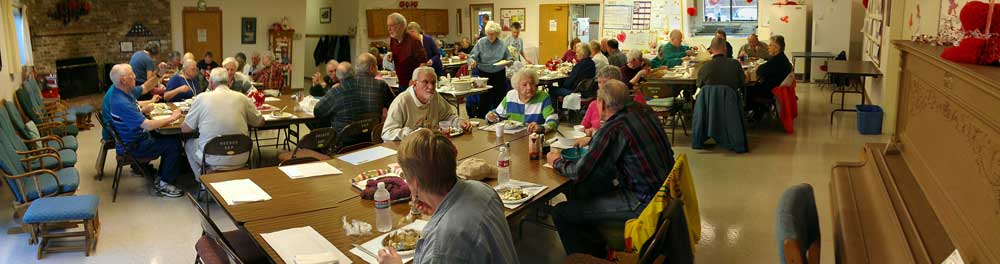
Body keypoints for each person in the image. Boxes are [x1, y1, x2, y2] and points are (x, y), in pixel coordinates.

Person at [546, 79, 675, 259]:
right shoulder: (644, 110)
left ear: (603, 103)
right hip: (665, 190)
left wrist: (556, 161)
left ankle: (587, 260)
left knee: (561, 212)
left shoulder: (614, 128)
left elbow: (579, 171)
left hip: (643, 200)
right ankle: (598, 248)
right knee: (582, 190)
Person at [376, 129, 519, 264]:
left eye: (406, 178)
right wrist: (438, 212)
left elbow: (448, 244)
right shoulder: (483, 190)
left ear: (415, 183)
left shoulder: (440, 249)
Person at [106, 64, 185, 198]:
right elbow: (147, 125)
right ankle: (164, 184)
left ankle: (170, 171)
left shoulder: (121, 91)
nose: (135, 76)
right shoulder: (121, 101)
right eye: (132, 75)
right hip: (134, 146)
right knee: (173, 143)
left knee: (170, 137)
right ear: (123, 80)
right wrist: (173, 117)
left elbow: (145, 88)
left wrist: (142, 110)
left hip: (134, 139)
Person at [181, 68, 264, 179]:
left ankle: (203, 181)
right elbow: (259, 122)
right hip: (242, 155)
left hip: (212, 157)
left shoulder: (201, 98)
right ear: (229, 82)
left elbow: (185, 129)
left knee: (189, 144)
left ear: (210, 83)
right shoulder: (242, 98)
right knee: (250, 144)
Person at [315, 53, 395, 146]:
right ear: (372, 68)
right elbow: (395, 106)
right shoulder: (381, 86)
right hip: (372, 138)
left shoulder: (340, 89)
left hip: (344, 142)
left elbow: (318, 112)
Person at [382, 67, 471, 141]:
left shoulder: (435, 96)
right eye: (425, 82)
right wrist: (416, 134)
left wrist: (459, 122)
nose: (431, 87)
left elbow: (447, 116)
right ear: (414, 84)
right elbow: (387, 133)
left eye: (433, 83)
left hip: (428, 148)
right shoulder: (402, 101)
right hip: (405, 151)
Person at [486, 69, 557, 134]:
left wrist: (541, 128)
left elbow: (552, 119)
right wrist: (491, 117)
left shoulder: (543, 97)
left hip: (533, 137)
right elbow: (498, 114)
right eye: (524, 85)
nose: (529, 88)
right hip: (513, 138)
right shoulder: (511, 95)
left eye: (532, 83)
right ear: (516, 87)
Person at [468, 21, 514, 118]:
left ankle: (500, 118)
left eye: (493, 34)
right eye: (488, 34)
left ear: (497, 34)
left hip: (499, 73)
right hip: (484, 74)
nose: (490, 36)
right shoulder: (481, 42)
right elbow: (472, 57)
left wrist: (509, 62)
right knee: (484, 99)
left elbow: (509, 58)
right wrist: (472, 61)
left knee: (499, 98)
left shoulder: (502, 43)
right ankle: (482, 119)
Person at [748, 35, 792, 121]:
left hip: (772, 90)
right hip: (775, 87)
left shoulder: (777, 61)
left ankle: (756, 113)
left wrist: (758, 68)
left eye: (770, 45)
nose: (768, 47)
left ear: (777, 48)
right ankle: (760, 110)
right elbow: (766, 67)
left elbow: (760, 71)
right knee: (754, 85)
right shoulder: (781, 58)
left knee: (748, 89)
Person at [388, 13, 429, 92]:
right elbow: (398, 52)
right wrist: (392, 56)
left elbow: (423, 63)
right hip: (401, 82)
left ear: (401, 26)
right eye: (388, 26)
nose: (389, 29)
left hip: (414, 83)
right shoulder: (393, 39)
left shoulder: (413, 40)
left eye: (391, 25)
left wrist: (415, 79)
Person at [579, 65, 625, 134]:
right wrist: (588, 131)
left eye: (606, 82)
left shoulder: (624, 106)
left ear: (617, 83)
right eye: (599, 82)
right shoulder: (594, 104)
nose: (602, 86)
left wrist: (595, 131)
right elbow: (582, 127)